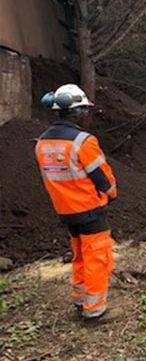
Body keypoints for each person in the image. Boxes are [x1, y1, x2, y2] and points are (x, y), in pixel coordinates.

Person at [35, 84, 117, 320]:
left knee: (79, 255)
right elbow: (103, 179)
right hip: (90, 209)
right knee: (97, 256)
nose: (87, 115)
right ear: (76, 112)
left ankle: (80, 300)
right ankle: (95, 309)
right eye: (85, 111)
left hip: (65, 211)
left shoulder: (42, 143)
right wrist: (111, 194)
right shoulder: (83, 141)